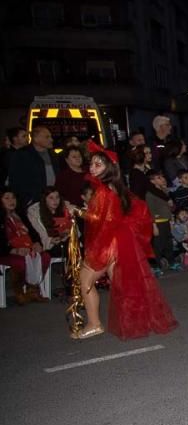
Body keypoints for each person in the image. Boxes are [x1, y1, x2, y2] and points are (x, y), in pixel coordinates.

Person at [72, 141, 177, 339]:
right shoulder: (113, 188)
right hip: (119, 241)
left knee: (85, 281)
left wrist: (77, 211)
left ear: (109, 168)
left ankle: (94, 323)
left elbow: (105, 219)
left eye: (98, 164)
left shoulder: (104, 190)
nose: (92, 168)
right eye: (92, 163)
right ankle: (137, 321)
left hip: (109, 243)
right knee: (122, 285)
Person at [0, 190, 50, 304]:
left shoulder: (21, 215)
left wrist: (37, 243)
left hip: (27, 249)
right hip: (8, 252)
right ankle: (19, 291)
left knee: (45, 257)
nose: (11, 201)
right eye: (6, 198)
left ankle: (33, 289)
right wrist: (14, 250)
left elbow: (34, 234)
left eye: (13, 198)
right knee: (20, 262)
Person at [9, 126, 59, 207]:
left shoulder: (53, 155)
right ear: (36, 139)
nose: (51, 139)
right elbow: (15, 180)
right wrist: (28, 200)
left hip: (53, 201)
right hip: (32, 203)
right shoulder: (21, 155)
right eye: (47, 137)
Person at [27, 186, 73, 256]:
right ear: (44, 199)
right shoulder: (35, 213)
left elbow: (75, 230)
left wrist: (68, 233)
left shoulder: (65, 208)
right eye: (51, 198)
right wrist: (50, 240)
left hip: (65, 241)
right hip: (48, 245)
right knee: (64, 248)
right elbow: (38, 234)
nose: (55, 201)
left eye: (57, 197)